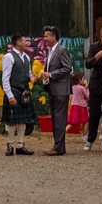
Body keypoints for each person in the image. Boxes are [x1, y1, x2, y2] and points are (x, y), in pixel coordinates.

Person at [1, 33, 38, 156]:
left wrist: (32, 77)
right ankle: (10, 146)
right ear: (18, 43)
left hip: (24, 92)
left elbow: (28, 74)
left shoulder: (26, 57)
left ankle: (20, 146)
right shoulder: (8, 57)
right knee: (11, 121)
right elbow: (5, 78)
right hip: (14, 91)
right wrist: (10, 95)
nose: (26, 43)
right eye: (24, 41)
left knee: (23, 120)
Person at [40, 25, 72, 156]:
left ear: (54, 37)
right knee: (56, 118)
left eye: (47, 36)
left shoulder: (61, 50)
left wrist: (51, 74)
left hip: (60, 90)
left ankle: (58, 147)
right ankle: (59, 146)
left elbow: (67, 68)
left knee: (59, 119)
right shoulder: (50, 51)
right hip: (53, 89)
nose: (44, 38)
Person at [67, 71, 90, 138]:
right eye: (83, 79)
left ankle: (64, 131)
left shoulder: (72, 88)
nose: (84, 80)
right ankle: (85, 136)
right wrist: (87, 89)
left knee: (73, 122)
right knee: (85, 121)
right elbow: (87, 97)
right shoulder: (82, 88)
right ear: (79, 80)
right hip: (82, 107)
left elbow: (70, 97)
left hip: (74, 106)